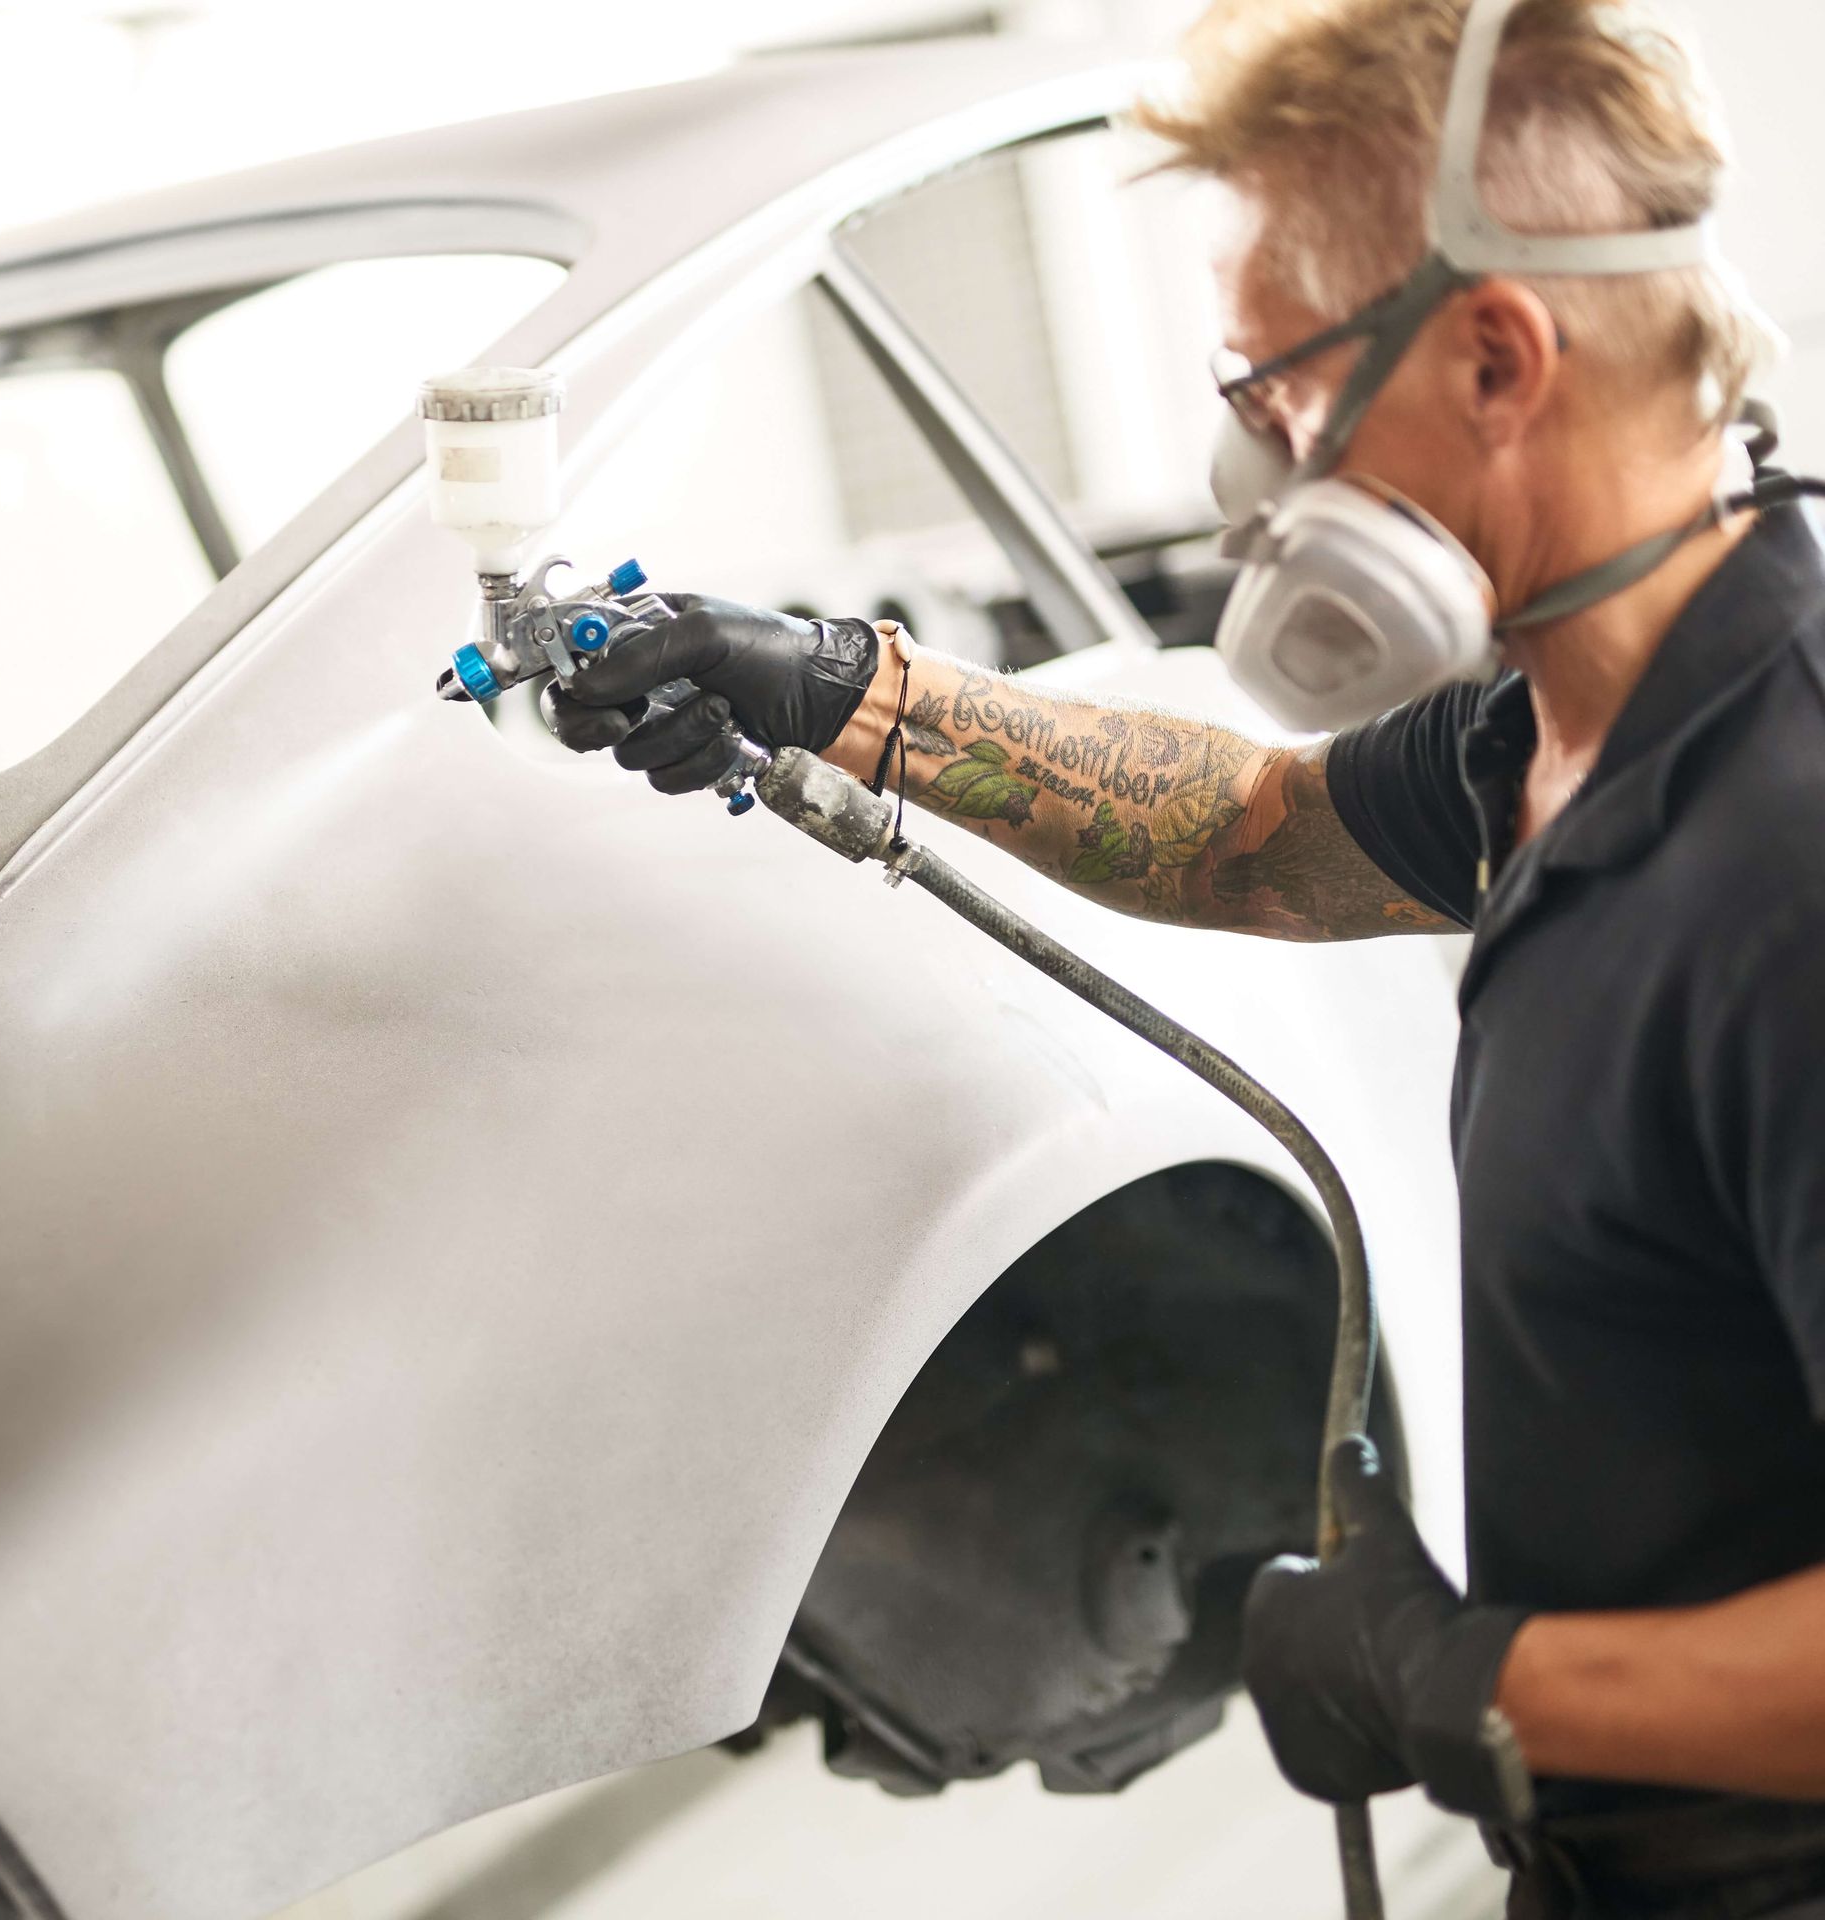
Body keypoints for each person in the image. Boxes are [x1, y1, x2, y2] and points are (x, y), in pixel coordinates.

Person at [548, 0, 1825, 1911]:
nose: (1257, 476)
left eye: (1279, 388)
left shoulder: (1789, 864)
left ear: (1496, 356)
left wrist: (1464, 1686)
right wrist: (836, 690)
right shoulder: (1568, 725)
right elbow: (1251, 836)